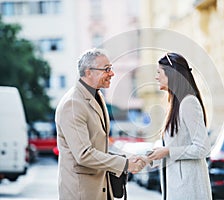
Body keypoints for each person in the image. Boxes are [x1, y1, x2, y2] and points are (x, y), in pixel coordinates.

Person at [55, 48, 146, 200]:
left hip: (101, 189)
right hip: (81, 193)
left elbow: (98, 147)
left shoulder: (97, 96)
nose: (112, 73)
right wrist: (124, 164)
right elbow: (83, 154)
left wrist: (127, 159)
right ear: (89, 72)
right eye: (107, 69)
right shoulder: (72, 104)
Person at [147, 52, 213, 200]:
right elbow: (175, 145)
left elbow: (203, 148)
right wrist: (154, 155)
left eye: (159, 72)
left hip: (189, 188)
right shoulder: (174, 104)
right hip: (177, 187)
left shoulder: (189, 103)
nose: (156, 77)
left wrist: (168, 151)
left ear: (171, 74)